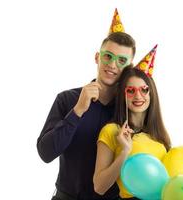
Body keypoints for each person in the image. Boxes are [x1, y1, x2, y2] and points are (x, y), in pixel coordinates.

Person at [93, 52, 183, 199]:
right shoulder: (112, 131)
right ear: (123, 95)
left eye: (144, 89)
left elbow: (173, 179)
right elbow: (99, 186)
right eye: (131, 90)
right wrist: (125, 151)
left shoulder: (159, 136)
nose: (138, 96)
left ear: (151, 93)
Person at [37, 31, 136, 200]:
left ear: (128, 67)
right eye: (108, 56)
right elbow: (46, 153)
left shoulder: (130, 110)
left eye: (121, 60)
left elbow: (154, 152)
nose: (112, 65)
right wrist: (78, 111)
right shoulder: (67, 100)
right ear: (97, 57)